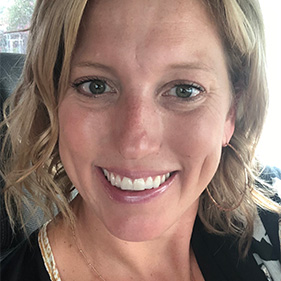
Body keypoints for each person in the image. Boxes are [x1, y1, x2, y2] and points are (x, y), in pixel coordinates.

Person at [0, 0, 280, 280]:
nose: (135, 145)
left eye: (184, 90)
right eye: (95, 86)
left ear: (232, 110)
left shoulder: (272, 216)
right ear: (52, 102)